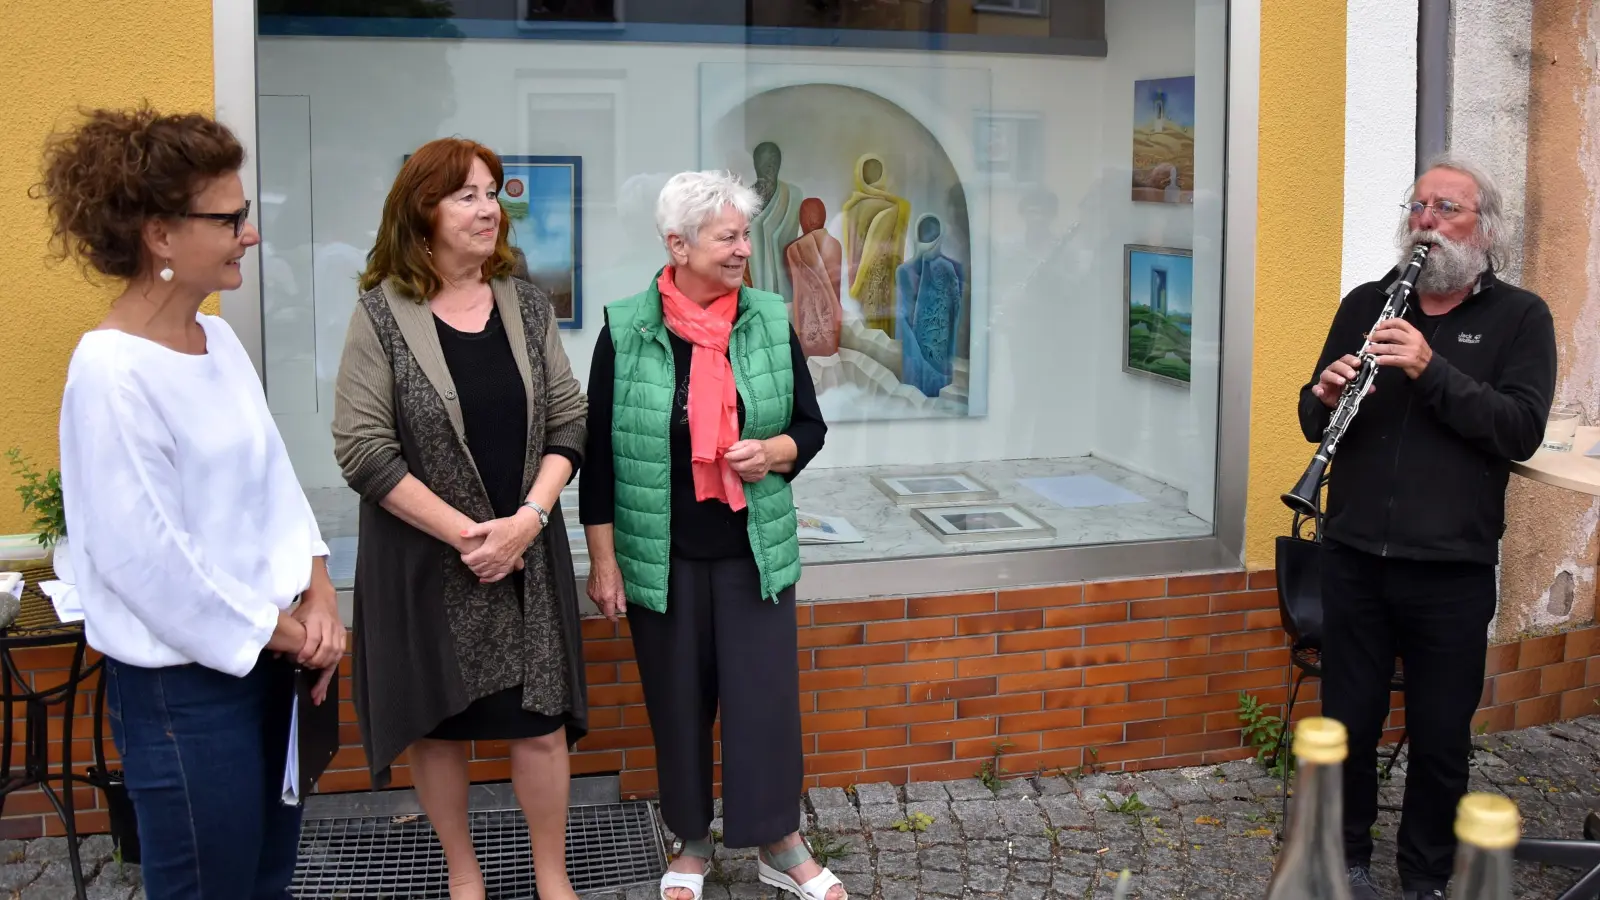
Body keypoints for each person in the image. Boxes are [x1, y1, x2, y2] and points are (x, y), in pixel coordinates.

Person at [42, 106, 346, 899]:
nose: (250, 233)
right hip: (185, 696)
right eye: (231, 217)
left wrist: (318, 590)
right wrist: (291, 634)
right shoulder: (111, 374)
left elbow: (276, 482)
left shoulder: (219, 341)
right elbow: (148, 562)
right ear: (159, 234)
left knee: (267, 878)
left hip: (265, 666)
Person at [331, 137, 589, 900]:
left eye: (491, 193)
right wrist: (470, 536)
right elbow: (362, 449)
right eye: (467, 195)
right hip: (426, 563)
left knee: (539, 725)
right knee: (437, 726)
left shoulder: (527, 301)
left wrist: (527, 521)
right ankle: (463, 876)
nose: (489, 210)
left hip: (526, 554)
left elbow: (569, 421)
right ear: (424, 211)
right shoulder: (380, 314)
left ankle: (552, 879)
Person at [1298, 155, 1558, 900]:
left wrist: (1429, 368)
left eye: (1447, 209)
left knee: (1442, 737)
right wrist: (1321, 394)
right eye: (1419, 207)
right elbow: (1316, 421)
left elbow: (1519, 428)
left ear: (1486, 228)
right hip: (1353, 556)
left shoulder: (1519, 317)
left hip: (1450, 568)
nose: (1428, 222)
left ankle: (1426, 874)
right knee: (1347, 722)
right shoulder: (1368, 303)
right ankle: (1341, 857)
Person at [580, 171, 836, 900]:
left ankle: (778, 843)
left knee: (764, 705)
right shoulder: (627, 329)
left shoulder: (765, 317)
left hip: (753, 549)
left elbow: (809, 428)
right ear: (678, 244)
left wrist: (774, 453)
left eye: (744, 235)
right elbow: (598, 459)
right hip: (662, 555)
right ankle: (690, 843)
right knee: (676, 702)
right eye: (727, 237)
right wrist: (605, 565)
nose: (742, 250)